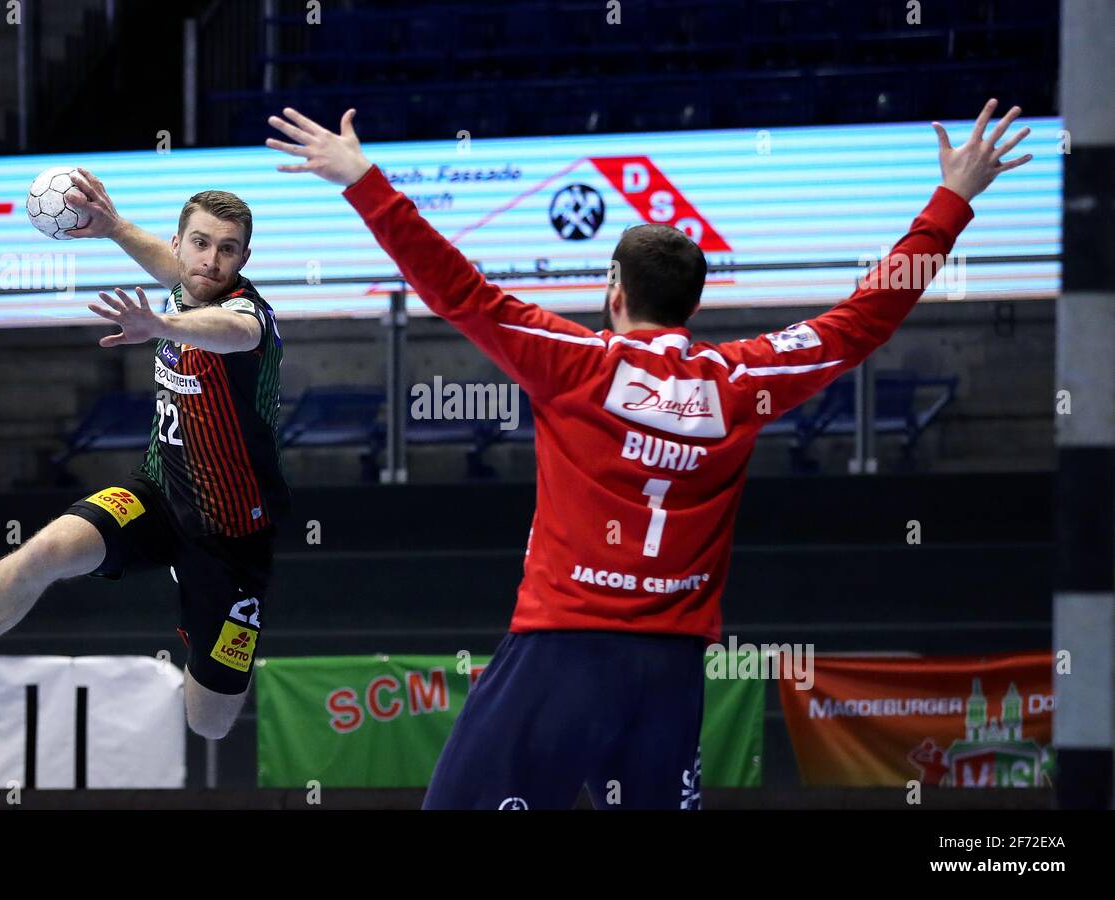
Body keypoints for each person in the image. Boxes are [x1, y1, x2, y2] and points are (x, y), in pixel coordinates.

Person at [265, 98, 1031, 808]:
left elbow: (454, 286)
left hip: (562, 650)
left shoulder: (576, 363)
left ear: (613, 290)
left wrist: (363, 179)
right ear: (695, 304)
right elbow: (867, 315)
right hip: (669, 671)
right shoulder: (744, 380)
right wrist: (952, 202)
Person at [0, 174, 289, 740]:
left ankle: (203, 622)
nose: (211, 261)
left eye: (228, 250)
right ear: (180, 243)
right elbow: (167, 265)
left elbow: (229, 332)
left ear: (244, 259)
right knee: (47, 550)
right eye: (200, 244)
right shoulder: (183, 279)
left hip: (231, 536)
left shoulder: (247, 319)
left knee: (208, 723)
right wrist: (113, 228)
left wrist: (160, 325)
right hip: (158, 495)